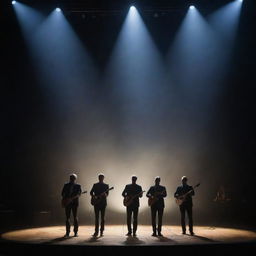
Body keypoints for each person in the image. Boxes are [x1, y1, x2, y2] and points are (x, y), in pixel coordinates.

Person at [61, 173, 82, 237]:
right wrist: (66, 200)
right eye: (71, 178)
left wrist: (73, 198)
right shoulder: (66, 185)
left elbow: (80, 194)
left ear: (75, 179)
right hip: (67, 203)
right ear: (70, 178)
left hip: (75, 203)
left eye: (73, 178)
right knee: (68, 218)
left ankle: (75, 232)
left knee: (75, 217)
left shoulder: (78, 186)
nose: (72, 179)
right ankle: (68, 232)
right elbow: (62, 194)